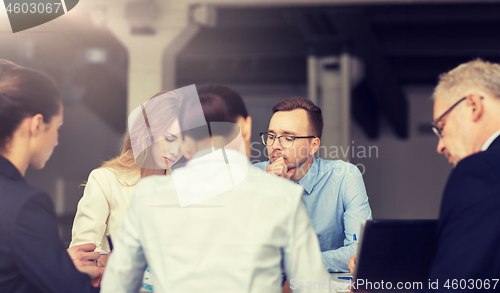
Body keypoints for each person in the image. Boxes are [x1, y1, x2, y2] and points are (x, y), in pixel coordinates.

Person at [100, 84, 332, 293]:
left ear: (184, 140)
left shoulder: (149, 195)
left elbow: (116, 287)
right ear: (246, 127)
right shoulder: (284, 196)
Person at [0, 59, 103, 292]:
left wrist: (55, 263)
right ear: (36, 124)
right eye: (57, 127)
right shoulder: (25, 203)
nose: (56, 140)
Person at [253, 97, 372, 273]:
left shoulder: (344, 177)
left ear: (313, 145)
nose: (275, 146)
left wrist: (295, 263)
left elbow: (360, 251)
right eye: (271, 136)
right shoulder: (254, 177)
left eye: (288, 138)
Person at [70, 89, 185, 258]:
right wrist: (106, 260)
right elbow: (81, 252)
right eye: (169, 139)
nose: (176, 151)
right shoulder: (105, 180)